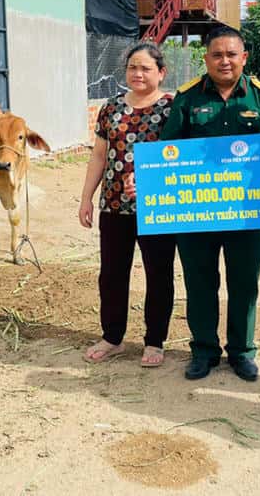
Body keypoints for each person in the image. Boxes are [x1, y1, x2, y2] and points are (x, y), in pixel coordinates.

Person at [159, 25, 260, 381]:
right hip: (196, 211)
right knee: (199, 282)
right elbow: (168, 153)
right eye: (216, 55)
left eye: (231, 54)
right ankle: (204, 350)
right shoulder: (187, 99)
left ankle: (242, 351)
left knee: (244, 283)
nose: (224, 61)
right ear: (206, 58)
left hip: (245, 210)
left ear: (244, 57)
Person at [79, 42, 177, 367]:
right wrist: (86, 198)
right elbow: (99, 155)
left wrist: (155, 183)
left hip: (159, 207)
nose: (138, 73)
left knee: (158, 274)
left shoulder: (172, 108)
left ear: (161, 73)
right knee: (111, 274)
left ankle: (155, 341)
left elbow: (182, 158)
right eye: (132, 67)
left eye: (145, 68)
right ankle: (112, 337)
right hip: (113, 206)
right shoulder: (111, 108)